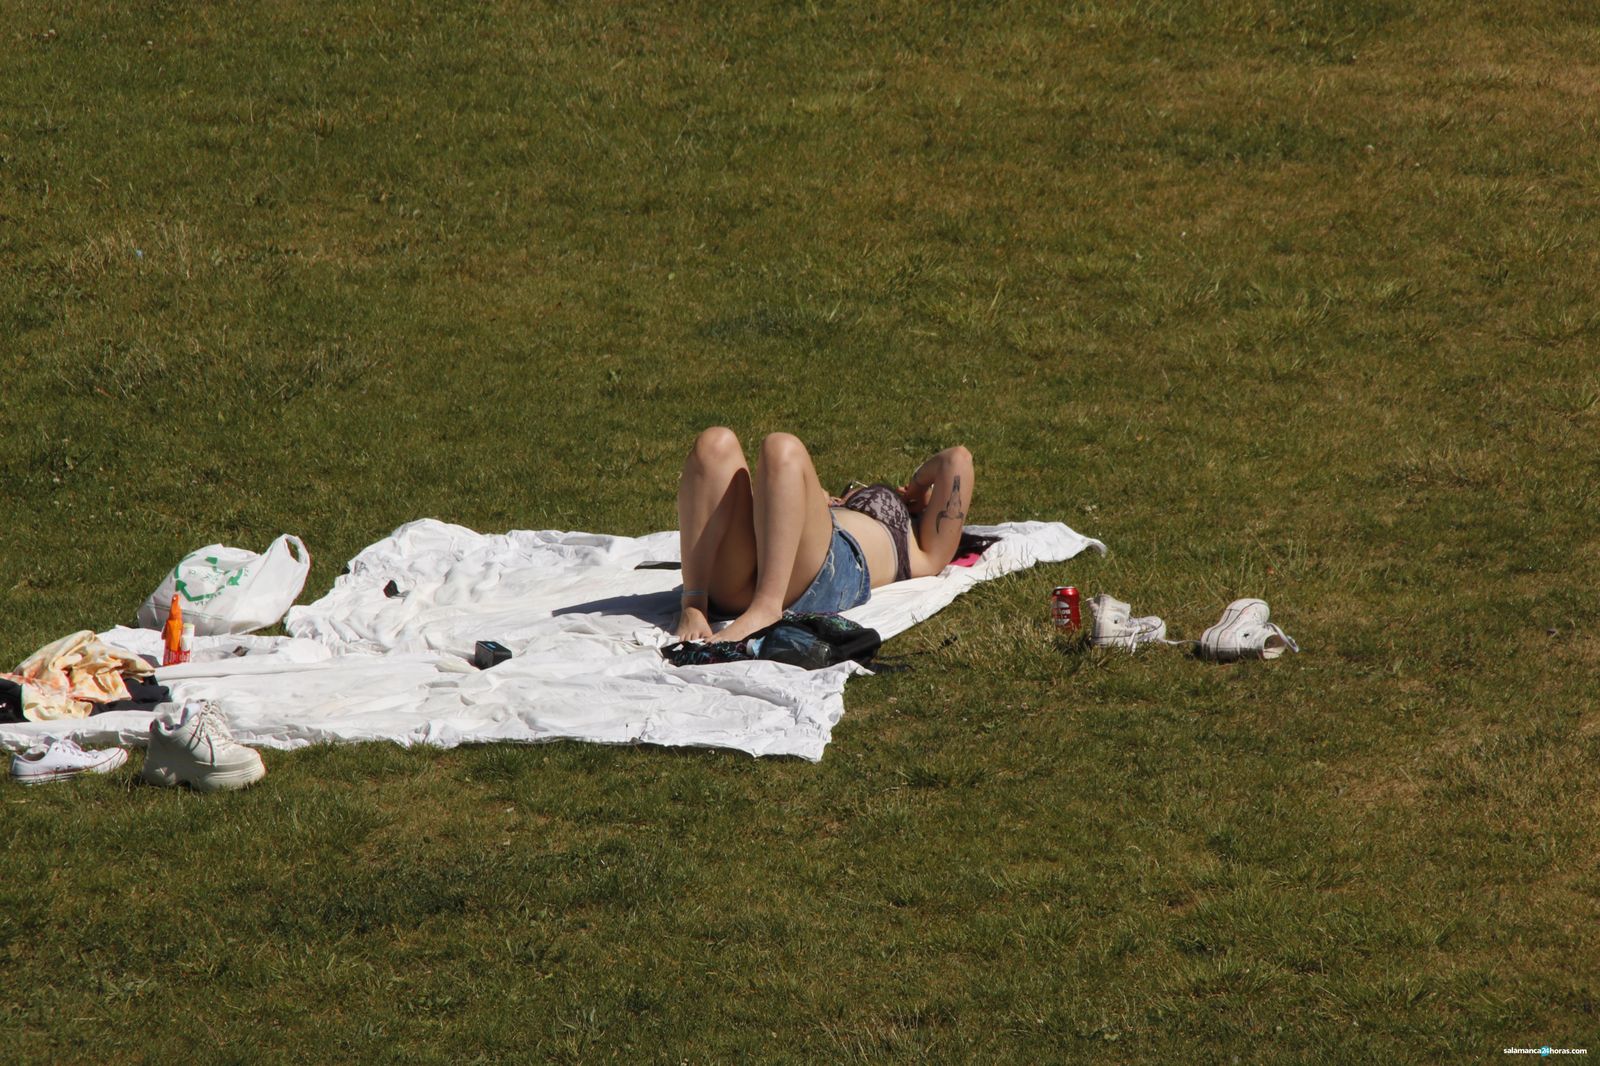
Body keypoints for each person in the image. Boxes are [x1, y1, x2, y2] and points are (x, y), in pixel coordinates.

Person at [673, 427, 975, 643]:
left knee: (783, 448)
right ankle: (694, 605)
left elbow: (957, 459)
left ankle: (766, 608)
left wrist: (918, 486)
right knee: (715, 444)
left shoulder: (923, 552)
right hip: (762, 569)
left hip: (829, 569)